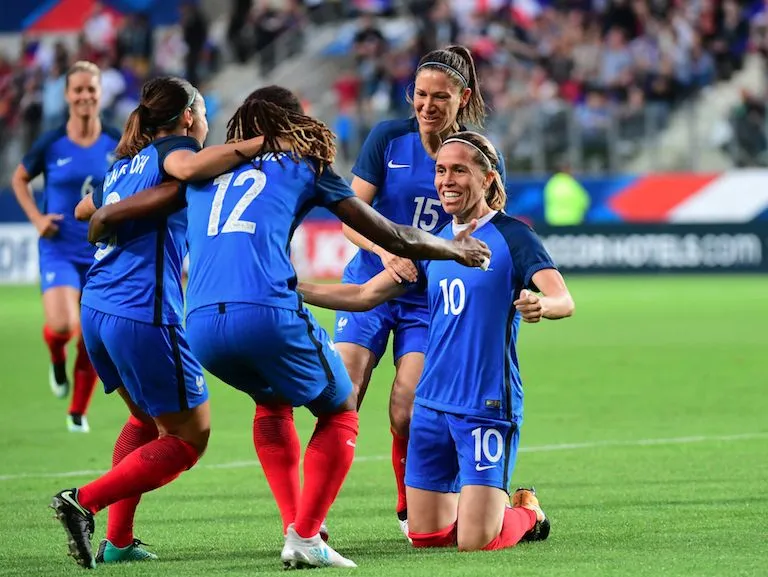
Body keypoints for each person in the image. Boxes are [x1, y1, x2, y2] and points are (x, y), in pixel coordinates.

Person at [87, 85, 491, 569]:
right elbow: (391, 232)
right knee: (341, 407)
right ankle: (305, 535)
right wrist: (454, 249)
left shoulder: (203, 173)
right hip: (263, 311)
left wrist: (101, 211)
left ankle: (292, 526)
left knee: (271, 401)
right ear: (291, 124)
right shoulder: (304, 164)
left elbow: (121, 205)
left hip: (199, 326)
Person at [298, 131, 575, 552]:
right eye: (441, 170)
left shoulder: (514, 237)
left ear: (487, 179)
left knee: (476, 542)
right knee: (427, 539)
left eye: (460, 170)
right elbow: (363, 295)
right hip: (430, 406)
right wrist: (291, 288)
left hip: (485, 406)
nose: (447, 180)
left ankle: (527, 512)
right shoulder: (434, 246)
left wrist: (542, 304)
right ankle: (484, 509)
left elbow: (563, 298)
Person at [49, 76, 276, 569]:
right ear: (190, 116)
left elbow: (88, 209)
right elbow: (191, 165)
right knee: (188, 438)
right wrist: (265, 140)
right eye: (205, 112)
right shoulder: (173, 149)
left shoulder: (124, 163)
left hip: (99, 309)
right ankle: (83, 501)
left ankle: (118, 543)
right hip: (143, 312)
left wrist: (98, 209)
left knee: (144, 421)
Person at [337, 45, 506, 537]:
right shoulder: (388, 139)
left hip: (429, 301)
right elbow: (349, 216)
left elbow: (489, 230)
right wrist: (387, 251)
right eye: (420, 94)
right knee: (343, 393)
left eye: (440, 97)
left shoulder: (474, 156)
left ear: (463, 98)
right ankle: (310, 523)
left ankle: (409, 504)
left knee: (407, 408)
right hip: (371, 278)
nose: (427, 105)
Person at [10, 61, 121, 433]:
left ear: (100, 93)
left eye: (92, 89)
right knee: (61, 325)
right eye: (79, 90)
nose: (86, 96)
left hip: (100, 252)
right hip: (58, 247)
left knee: (92, 337)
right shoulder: (52, 142)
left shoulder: (116, 143)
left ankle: (77, 411)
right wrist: (37, 220)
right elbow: (20, 178)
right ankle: (57, 360)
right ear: (67, 95)